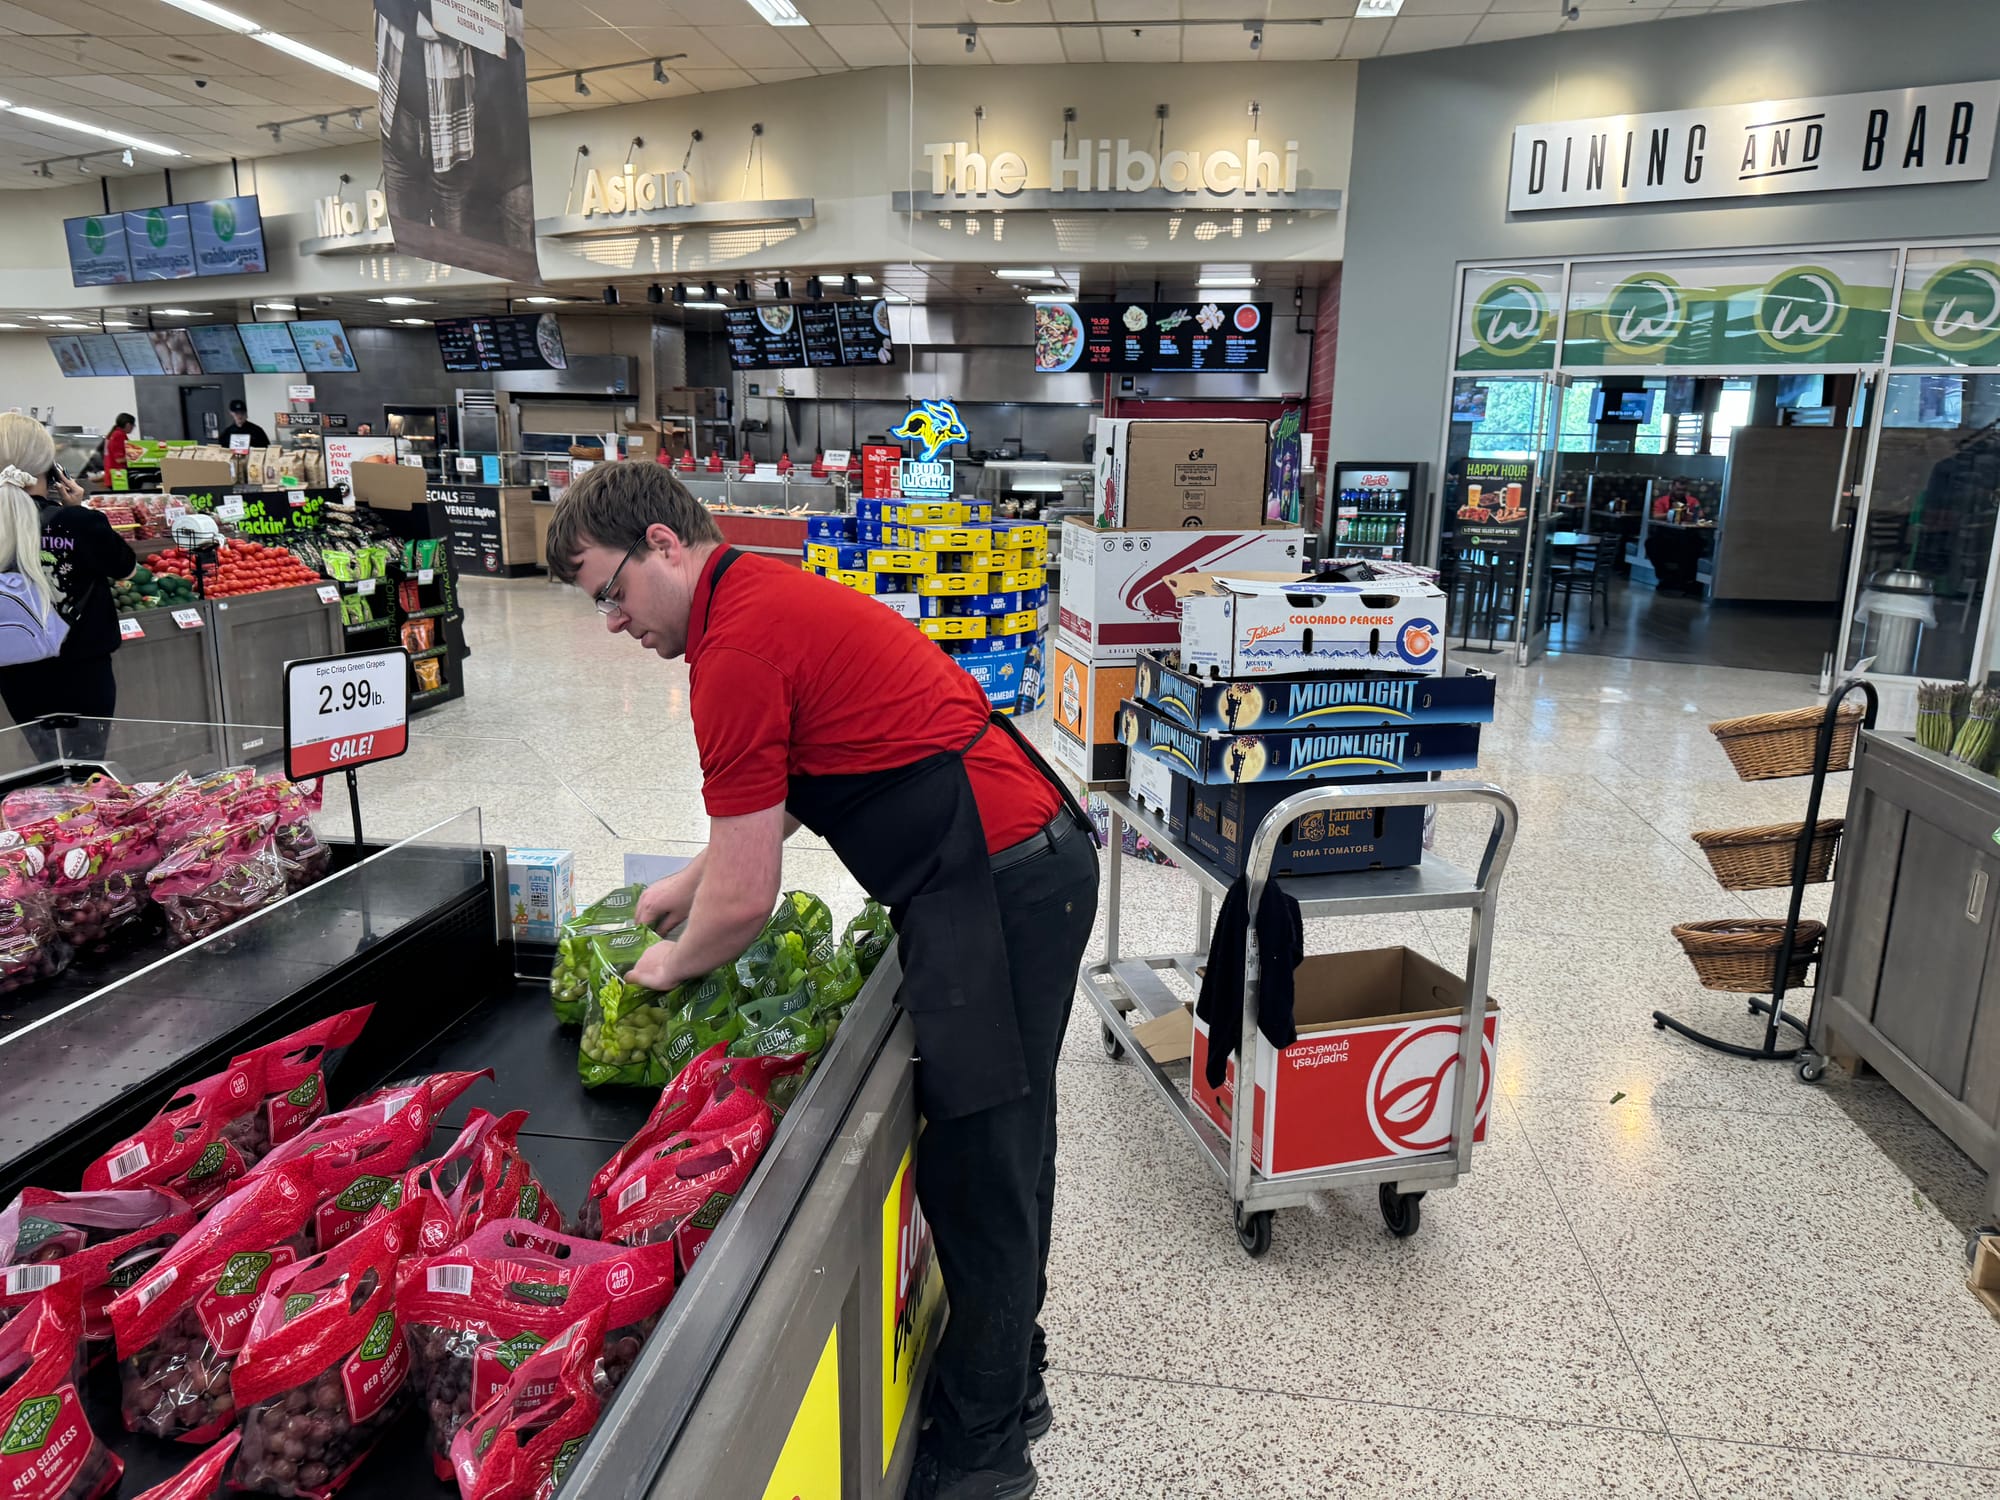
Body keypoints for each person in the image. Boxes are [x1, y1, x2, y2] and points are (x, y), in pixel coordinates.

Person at [548, 465, 1098, 1500]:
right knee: (1011, 1153)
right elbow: (796, 788)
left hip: (999, 882)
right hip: (1014, 863)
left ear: (663, 543)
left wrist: (658, 967)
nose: (613, 622)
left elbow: (749, 898)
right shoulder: (756, 595)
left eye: (609, 591)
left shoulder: (735, 648)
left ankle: (984, 1461)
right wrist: (680, 884)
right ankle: (1010, 1387)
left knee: (981, 1174)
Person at [0, 414, 136, 761]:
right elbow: (127, 568)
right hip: (82, 669)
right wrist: (83, 510)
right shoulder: (78, 522)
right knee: (87, 770)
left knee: (48, 768)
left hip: (15, 673)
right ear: (51, 467)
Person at [100, 412, 134, 483]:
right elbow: (119, 459)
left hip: (113, 475)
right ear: (128, 424)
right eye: (133, 425)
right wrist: (139, 458)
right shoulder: (119, 435)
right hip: (118, 476)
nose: (133, 428)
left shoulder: (112, 434)